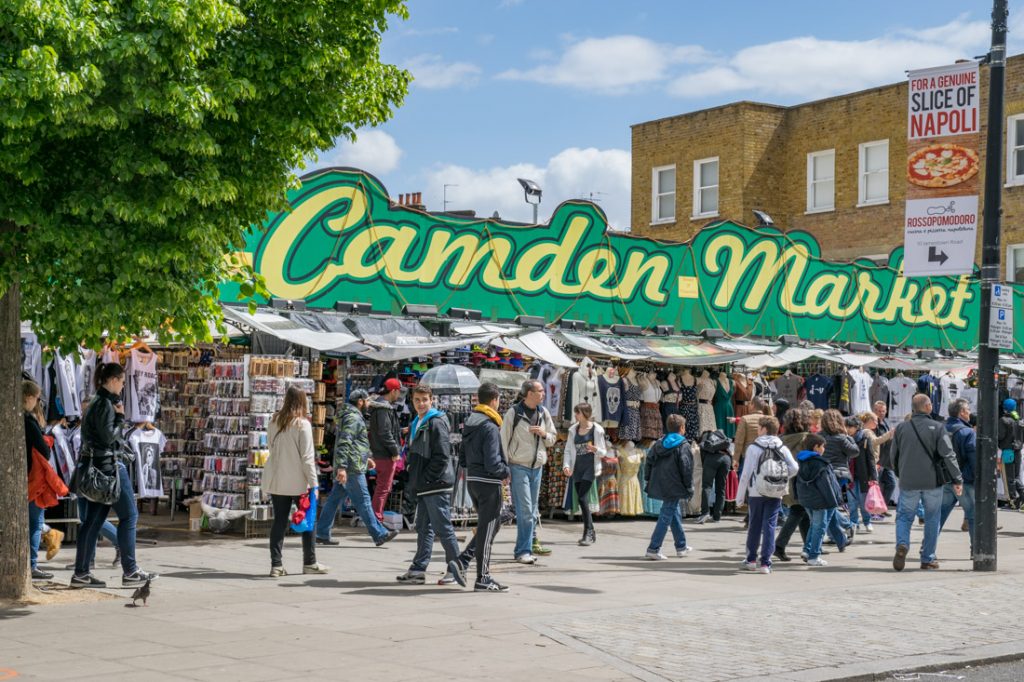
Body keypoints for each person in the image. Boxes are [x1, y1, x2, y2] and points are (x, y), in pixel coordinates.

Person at [72, 363, 158, 588]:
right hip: (109, 467)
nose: (122, 385)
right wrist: (120, 418)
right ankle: (130, 570)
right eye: (121, 381)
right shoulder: (105, 404)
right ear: (112, 380)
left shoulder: (96, 402)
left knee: (92, 521)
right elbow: (109, 437)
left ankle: (81, 573)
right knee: (129, 516)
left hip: (99, 466)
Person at [396, 385, 466, 587]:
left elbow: (442, 455)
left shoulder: (435, 422)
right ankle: (418, 569)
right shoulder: (418, 421)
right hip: (425, 485)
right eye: (417, 400)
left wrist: (427, 477)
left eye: (424, 399)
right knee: (423, 528)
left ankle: (455, 569)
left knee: (442, 527)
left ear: (432, 400)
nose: (421, 403)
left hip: (436, 484)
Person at [316, 390, 398, 547]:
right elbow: (344, 443)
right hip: (351, 469)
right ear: (360, 402)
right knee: (364, 501)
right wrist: (342, 468)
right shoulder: (354, 418)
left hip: (351, 465)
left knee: (333, 501)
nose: (368, 404)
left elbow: (354, 443)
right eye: (367, 401)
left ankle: (321, 533)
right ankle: (379, 534)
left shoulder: (352, 417)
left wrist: (365, 458)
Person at [891, 393, 963, 571]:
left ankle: (902, 544)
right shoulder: (938, 427)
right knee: (932, 518)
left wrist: (900, 473)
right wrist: (957, 478)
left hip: (908, 481)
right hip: (932, 481)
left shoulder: (901, 428)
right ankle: (928, 558)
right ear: (928, 406)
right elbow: (949, 455)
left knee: (904, 517)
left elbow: (893, 455)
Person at [264, 385, 328, 577]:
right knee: (308, 521)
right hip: (300, 482)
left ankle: (276, 565)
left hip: (277, 480)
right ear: (302, 401)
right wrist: (314, 484)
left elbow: (270, 447)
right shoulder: (302, 424)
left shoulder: (274, 421)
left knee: (279, 522)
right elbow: (307, 458)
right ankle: (310, 562)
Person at [501, 379, 556, 565]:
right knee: (525, 511)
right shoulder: (513, 413)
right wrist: (504, 468)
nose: (544, 393)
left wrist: (544, 433)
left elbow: (552, 439)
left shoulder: (543, 412)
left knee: (532, 511)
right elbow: (503, 440)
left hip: (537, 467)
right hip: (518, 466)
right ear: (530, 394)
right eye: (540, 391)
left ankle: (527, 548)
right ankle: (522, 551)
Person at [462, 382, 511, 592]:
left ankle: (463, 560)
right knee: (487, 530)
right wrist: (504, 472)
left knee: (485, 528)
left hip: (473, 480)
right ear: (494, 400)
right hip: (489, 483)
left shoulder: (470, 423)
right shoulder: (490, 426)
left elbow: (462, 458)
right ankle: (483, 577)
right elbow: (492, 462)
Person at [736, 416, 798, 574]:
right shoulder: (782, 446)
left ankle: (750, 559)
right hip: (776, 491)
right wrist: (782, 477)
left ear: (764, 429)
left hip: (756, 491)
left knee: (754, 525)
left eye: (759, 427)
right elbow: (794, 467)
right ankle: (765, 563)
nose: (757, 430)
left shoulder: (753, 447)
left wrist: (740, 497)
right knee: (770, 525)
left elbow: (745, 474)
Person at [644, 414, 694, 560]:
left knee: (673, 512)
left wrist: (648, 478)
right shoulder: (683, 445)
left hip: (659, 482)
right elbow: (686, 467)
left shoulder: (659, 443)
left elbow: (649, 460)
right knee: (666, 515)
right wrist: (689, 487)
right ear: (682, 428)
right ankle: (653, 548)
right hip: (674, 484)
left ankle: (681, 546)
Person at [795, 433, 844, 567]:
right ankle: (814, 556)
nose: (824, 449)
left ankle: (807, 550)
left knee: (814, 525)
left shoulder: (800, 460)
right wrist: (834, 501)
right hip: (821, 501)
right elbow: (827, 485)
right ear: (816, 447)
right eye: (822, 446)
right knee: (820, 528)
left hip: (806, 499)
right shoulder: (821, 463)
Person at [562, 403, 607, 546]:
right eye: (576, 412)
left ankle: (587, 532)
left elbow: (603, 452)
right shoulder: (573, 430)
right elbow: (568, 450)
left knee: (582, 498)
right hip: (577, 468)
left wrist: (595, 449)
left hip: (590, 468)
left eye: (578, 413)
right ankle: (591, 531)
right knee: (582, 499)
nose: (575, 415)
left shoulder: (597, 430)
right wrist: (566, 465)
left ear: (586, 414)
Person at [24, 381, 54, 580]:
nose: (37, 402)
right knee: (36, 522)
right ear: (28, 397)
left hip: (23, 475)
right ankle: (32, 565)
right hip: (32, 476)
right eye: (36, 398)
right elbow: (44, 451)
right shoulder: (29, 420)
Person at [774, 408, 812, 562]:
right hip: (802, 480)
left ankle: (808, 547)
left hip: (787, 479)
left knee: (801, 513)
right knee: (798, 511)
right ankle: (780, 545)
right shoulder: (806, 439)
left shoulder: (782, 439)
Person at [940, 398, 976, 556]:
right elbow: (973, 459)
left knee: (938, 516)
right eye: (968, 409)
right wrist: (967, 478)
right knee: (973, 515)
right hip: (963, 482)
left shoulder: (939, 429)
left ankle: (926, 549)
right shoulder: (967, 432)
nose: (969, 412)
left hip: (943, 480)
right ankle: (977, 549)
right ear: (961, 412)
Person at [368, 378, 403, 522]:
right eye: (399, 391)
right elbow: (384, 432)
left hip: (379, 453)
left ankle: (375, 518)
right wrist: (395, 451)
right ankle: (376, 519)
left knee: (380, 488)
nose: (399, 395)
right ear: (393, 391)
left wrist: (401, 431)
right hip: (384, 455)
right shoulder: (384, 408)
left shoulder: (380, 406)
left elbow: (385, 430)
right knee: (383, 488)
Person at [820, 409, 857, 543]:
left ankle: (838, 532)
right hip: (839, 474)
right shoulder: (842, 438)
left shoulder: (819, 436)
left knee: (827, 506)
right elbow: (855, 452)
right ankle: (846, 526)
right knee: (830, 506)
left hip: (823, 474)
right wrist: (849, 437)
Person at [849, 415, 879, 533]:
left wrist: (874, 477)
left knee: (863, 501)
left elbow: (870, 459)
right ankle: (854, 523)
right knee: (852, 502)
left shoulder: (865, 439)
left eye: (850, 426)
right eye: (847, 426)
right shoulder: (845, 439)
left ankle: (867, 522)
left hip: (863, 475)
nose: (848, 429)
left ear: (857, 427)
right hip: (850, 475)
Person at [997, 399, 1023, 509]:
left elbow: (1000, 436)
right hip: (1018, 451)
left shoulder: (1003, 420)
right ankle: (1020, 497)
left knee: (1009, 478)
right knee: (1016, 476)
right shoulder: (1020, 420)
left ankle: (1012, 501)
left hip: (1007, 451)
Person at [873, 401, 897, 508]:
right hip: (879, 460)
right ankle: (876, 508)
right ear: (874, 411)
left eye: (883, 411)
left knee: (891, 484)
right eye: (878, 411)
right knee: (876, 486)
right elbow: (876, 442)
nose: (881, 413)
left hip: (886, 460)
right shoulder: (874, 424)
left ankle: (882, 507)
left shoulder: (885, 423)